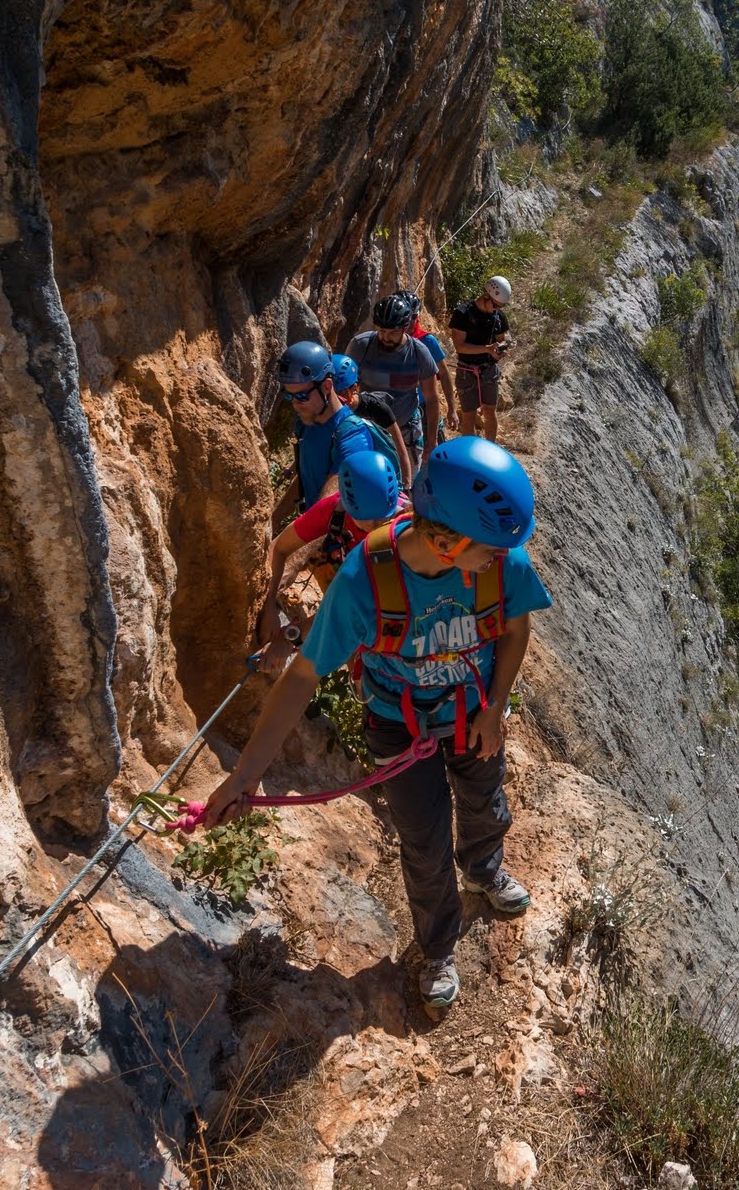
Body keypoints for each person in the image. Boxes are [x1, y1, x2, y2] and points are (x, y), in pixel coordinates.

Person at [199, 437, 551, 1013]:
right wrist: (244, 777)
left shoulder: (498, 557)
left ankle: (484, 870)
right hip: (399, 721)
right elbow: (301, 678)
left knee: (485, 802)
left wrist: (495, 707)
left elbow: (514, 630)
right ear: (445, 540)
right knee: (423, 840)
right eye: (489, 549)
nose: (504, 558)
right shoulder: (365, 583)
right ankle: (438, 947)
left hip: (472, 708)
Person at [255, 450, 410, 669]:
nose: (377, 528)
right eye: (367, 520)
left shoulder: (408, 528)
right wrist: (269, 603)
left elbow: (359, 606)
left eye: (384, 517)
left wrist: (290, 637)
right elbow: (280, 548)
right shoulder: (333, 510)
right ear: (347, 506)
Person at [282, 341, 394, 510]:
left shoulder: (353, 436)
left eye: (302, 395)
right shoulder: (307, 424)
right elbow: (306, 479)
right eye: (289, 395)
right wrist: (272, 523)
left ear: (327, 386)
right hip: (310, 529)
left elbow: (324, 510)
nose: (295, 404)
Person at [348, 291, 441, 468]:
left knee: (408, 485)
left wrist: (432, 440)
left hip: (406, 431)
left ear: (405, 328)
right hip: (369, 429)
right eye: (382, 331)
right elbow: (344, 386)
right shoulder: (361, 346)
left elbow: (432, 398)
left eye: (393, 332)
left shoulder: (419, 353)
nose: (385, 337)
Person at [449, 275, 511, 445]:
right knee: (469, 415)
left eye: (500, 306)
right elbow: (460, 346)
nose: (496, 309)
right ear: (486, 296)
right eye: (495, 305)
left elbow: (501, 339)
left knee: (490, 411)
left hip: (488, 368)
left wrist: (500, 348)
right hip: (466, 370)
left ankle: (490, 448)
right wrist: (486, 349)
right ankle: (469, 454)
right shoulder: (463, 314)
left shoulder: (498, 316)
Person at [409, 314, 457, 433]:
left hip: (426, 407)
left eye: (413, 317)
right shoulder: (390, 342)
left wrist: (451, 409)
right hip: (403, 408)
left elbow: (444, 374)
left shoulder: (427, 340)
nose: (410, 322)